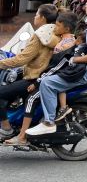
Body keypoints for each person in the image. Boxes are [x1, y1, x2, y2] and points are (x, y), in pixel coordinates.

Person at [27, 0, 87, 136]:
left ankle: (48, 122)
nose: (85, 7)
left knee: (48, 83)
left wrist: (74, 59)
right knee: (62, 77)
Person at [3, 11, 77, 146]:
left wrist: (37, 82)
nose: (55, 27)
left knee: (30, 99)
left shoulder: (63, 44)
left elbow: (55, 67)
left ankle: (21, 136)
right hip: (45, 77)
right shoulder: (60, 39)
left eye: (58, 25)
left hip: (42, 78)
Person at [0, 4, 60, 139]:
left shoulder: (39, 36)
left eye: (37, 14)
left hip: (34, 77)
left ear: (43, 18)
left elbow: (21, 59)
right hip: (43, 75)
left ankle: (7, 129)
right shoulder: (55, 33)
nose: (35, 17)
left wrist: (1, 64)